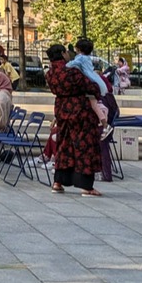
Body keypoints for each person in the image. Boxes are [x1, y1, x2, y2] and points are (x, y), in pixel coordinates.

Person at [45, 44, 103, 196]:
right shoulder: (72, 71)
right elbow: (91, 86)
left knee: (64, 145)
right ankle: (86, 186)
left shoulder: (50, 74)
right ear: (63, 54)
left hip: (61, 109)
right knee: (84, 145)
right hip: (79, 111)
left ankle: (58, 181)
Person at [68, 38, 110, 136]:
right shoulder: (87, 58)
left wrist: (64, 66)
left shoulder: (80, 58)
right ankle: (104, 124)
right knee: (93, 104)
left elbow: (70, 65)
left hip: (92, 83)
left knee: (94, 104)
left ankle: (105, 124)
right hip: (96, 81)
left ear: (78, 49)